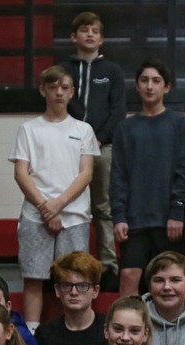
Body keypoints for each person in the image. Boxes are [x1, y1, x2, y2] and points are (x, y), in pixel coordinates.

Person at [9, 65, 99, 327]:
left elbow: (86, 174)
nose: (59, 92)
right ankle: (34, 336)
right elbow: (21, 173)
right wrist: (45, 208)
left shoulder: (83, 129)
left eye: (64, 87)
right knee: (34, 278)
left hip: (75, 217)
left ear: (72, 92)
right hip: (35, 216)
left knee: (75, 280)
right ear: (43, 90)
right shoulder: (28, 129)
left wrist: (57, 206)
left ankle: (74, 330)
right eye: (53, 87)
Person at [111, 59, 185, 297]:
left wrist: (177, 211)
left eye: (156, 81)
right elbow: (118, 176)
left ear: (166, 87)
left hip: (169, 220)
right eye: (144, 80)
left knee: (171, 280)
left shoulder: (179, 123)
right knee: (129, 276)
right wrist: (118, 216)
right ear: (137, 86)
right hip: (134, 219)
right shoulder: (125, 128)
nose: (150, 86)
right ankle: (127, 331)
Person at [61, 10, 126, 287]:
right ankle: (70, 262)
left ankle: (108, 265)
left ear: (102, 39)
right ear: (74, 36)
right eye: (84, 30)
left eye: (95, 31)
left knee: (104, 207)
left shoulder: (111, 71)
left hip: (104, 146)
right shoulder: (64, 70)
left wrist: (97, 139)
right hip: (68, 149)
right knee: (70, 204)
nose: (90, 34)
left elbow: (118, 111)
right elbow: (58, 106)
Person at [35, 251, 107, 345]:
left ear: (95, 291)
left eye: (83, 286)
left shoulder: (109, 329)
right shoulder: (45, 333)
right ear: (57, 290)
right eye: (67, 286)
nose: (74, 292)